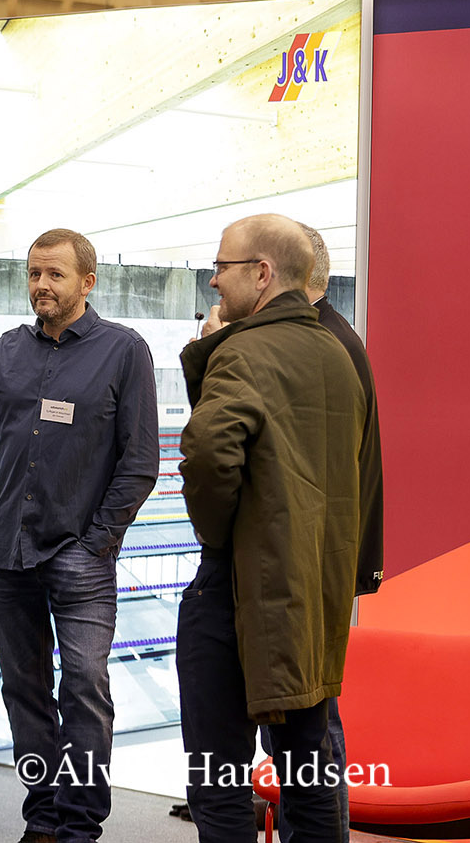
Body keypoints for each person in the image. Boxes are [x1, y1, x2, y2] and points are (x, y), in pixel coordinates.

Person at [0, 229, 159, 843]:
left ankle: (79, 825)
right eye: (34, 274)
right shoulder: (8, 350)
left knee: (84, 689)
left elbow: (140, 462)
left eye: (55, 274)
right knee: (24, 690)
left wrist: (99, 540)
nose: (41, 286)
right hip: (9, 552)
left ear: (87, 282)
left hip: (79, 554)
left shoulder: (124, 351)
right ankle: (43, 818)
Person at [178, 213, 366, 843]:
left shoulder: (242, 352)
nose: (213, 281)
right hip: (311, 589)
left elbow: (209, 454)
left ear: (261, 273)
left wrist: (217, 537)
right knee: (310, 772)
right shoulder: (340, 353)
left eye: (221, 267)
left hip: (241, 585)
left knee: (219, 779)